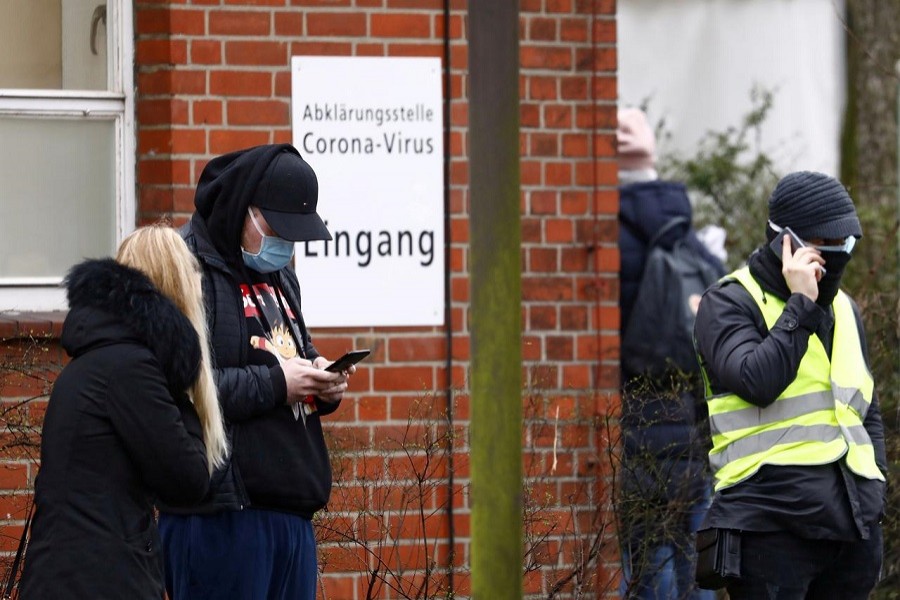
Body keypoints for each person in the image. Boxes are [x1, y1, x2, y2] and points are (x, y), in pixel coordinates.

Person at [158, 143, 354, 600]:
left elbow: (291, 352)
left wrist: (322, 379)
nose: (285, 246)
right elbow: (183, 387)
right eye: (277, 229)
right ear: (244, 209)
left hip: (290, 512)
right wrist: (277, 384)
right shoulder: (188, 267)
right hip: (221, 517)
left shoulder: (280, 274)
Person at [693, 171, 887, 598]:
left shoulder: (847, 309)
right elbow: (756, 381)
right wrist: (801, 304)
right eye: (824, 246)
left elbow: (865, 409)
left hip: (851, 529)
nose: (837, 257)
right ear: (787, 242)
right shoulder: (728, 301)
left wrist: (876, 491)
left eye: (846, 245)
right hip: (769, 527)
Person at [19, 226, 228, 600]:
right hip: (100, 583)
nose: (201, 284)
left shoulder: (101, 359)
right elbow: (189, 479)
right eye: (193, 273)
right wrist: (182, 370)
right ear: (173, 287)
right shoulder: (130, 370)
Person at [616, 107, 723, 600]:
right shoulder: (684, 231)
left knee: (647, 554)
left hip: (633, 425)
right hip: (688, 422)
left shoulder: (611, 237)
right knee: (692, 555)